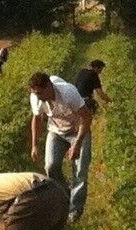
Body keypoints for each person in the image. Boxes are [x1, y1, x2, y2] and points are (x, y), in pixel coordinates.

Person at [27, 70, 93, 220]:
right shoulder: (36, 98)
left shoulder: (68, 92)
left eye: (39, 93)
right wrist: (34, 145)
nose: (37, 96)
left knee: (80, 171)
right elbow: (36, 119)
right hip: (56, 131)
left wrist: (77, 144)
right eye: (35, 93)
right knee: (50, 167)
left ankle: (75, 209)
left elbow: (86, 117)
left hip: (78, 130)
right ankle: (66, 194)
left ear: (49, 87)